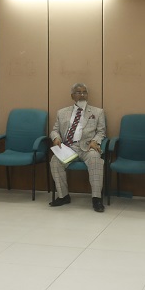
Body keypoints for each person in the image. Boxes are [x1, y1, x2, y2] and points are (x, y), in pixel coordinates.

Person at [48, 82, 106, 213]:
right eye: (78, 92)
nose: (82, 95)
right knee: (55, 161)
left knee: (96, 160)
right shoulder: (62, 112)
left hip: (88, 146)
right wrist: (56, 138)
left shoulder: (97, 112)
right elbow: (55, 130)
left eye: (84, 92)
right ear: (72, 96)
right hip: (69, 147)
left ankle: (96, 199)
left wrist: (95, 141)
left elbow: (101, 132)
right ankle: (63, 196)